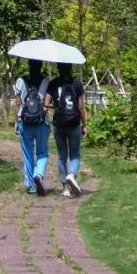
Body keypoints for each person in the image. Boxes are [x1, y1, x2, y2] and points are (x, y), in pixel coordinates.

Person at [46, 64, 86, 195]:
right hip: (74, 123)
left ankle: (65, 188)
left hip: (59, 124)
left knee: (62, 156)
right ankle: (72, 175)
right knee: (75, 155)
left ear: (58, 68)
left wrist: (57, 105)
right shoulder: (77, 84)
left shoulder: (53, 83)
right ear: (71, 68)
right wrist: (84, 125)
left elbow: (46, 103)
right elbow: (81, 107)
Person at [14, 61, 50, 196]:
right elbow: (47, 102)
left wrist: (16, 122)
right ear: (40, 66)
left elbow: (18, 103)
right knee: (42, 152)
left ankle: (31, 185)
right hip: (41, 122)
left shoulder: (20, 81)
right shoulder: (46, 81)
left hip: (24, 121)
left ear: (29, 65)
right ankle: (38, 174)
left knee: (28, 154)